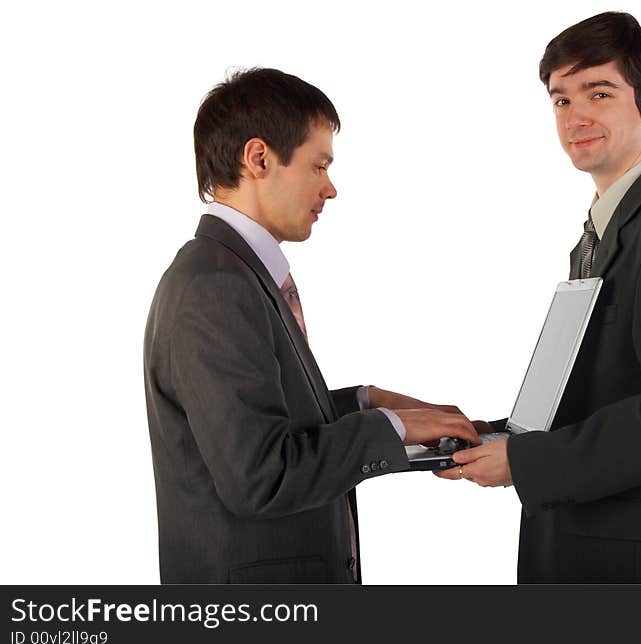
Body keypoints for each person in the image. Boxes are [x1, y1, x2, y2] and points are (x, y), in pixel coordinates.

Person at [437, 12, 641, 583]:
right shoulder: (607, 229)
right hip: (587, 547)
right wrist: (500, 437)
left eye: (598, 93)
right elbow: (603, 393)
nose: (574, 117)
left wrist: (528, 462)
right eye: (560, 100)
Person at [143, 68, 478, 584]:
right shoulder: (215, 286)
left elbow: (259, 422)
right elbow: (262, 476)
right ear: (258, 159)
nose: (331, 188)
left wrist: (364, 401)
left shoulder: (235, 273)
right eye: (319, 165)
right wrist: (392, 429)